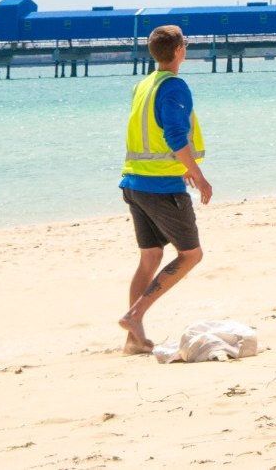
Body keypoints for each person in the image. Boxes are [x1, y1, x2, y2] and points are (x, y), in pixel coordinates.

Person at [117, 25, 212, 355]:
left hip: (134, 182)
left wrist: (184, 166)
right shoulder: (174, 87)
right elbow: (174, 136)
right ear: (178, 52)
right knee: (190, 255)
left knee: (150, 257)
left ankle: (134, 340)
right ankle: (135, 315)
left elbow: (153, 133)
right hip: (161, 187)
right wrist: (198, 175)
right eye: (185, 43)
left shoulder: (143, 84)